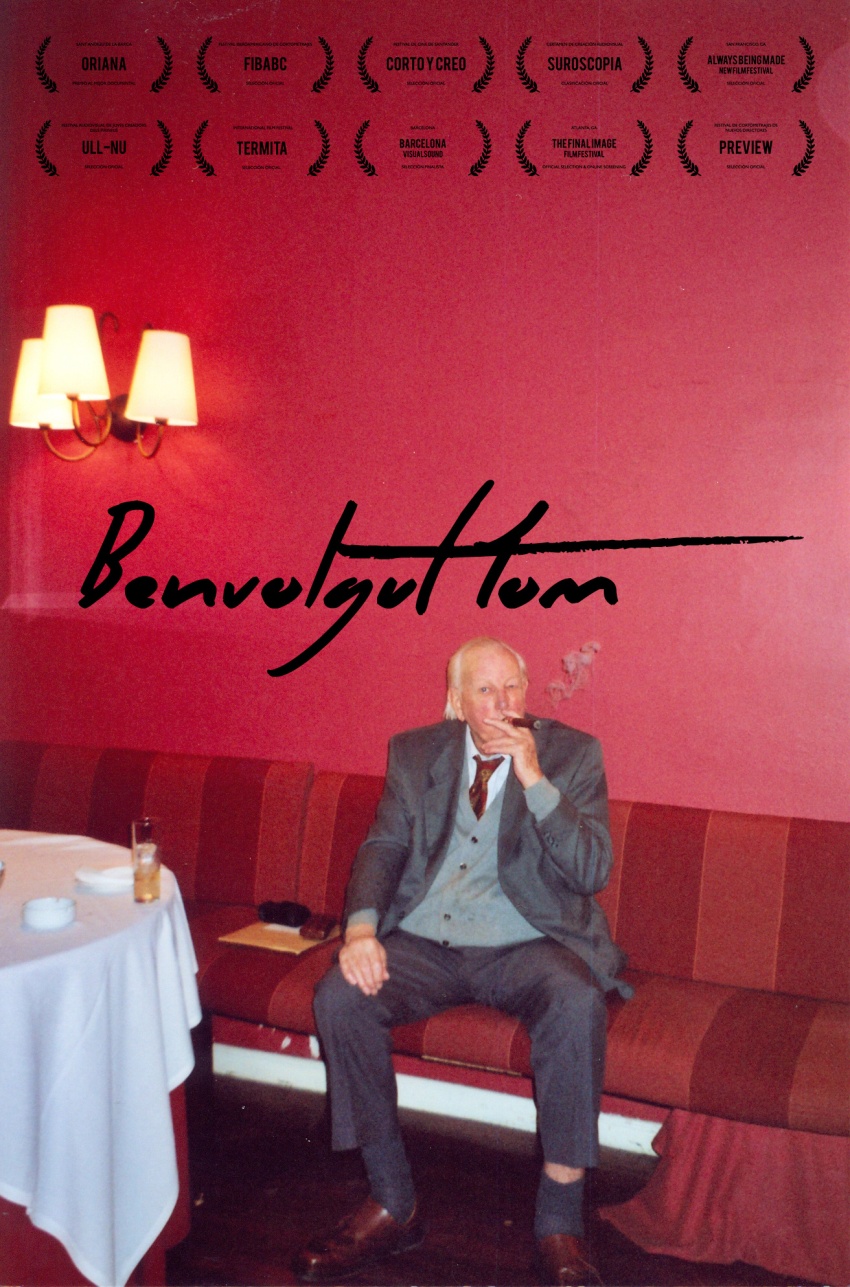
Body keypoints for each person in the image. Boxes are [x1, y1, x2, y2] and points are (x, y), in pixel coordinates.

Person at [294, 637, 628, 1286]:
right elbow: (383, 846)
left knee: (577, 1002)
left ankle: (559, 1221)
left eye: (512, 687)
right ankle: (393, 1201)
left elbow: (592, 871)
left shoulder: (572, 753)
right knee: (340, 996)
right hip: (427, 942)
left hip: (529, 945)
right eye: (484, 689)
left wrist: (533, 778)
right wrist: (360, 932)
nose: (502, 702)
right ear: (455, 702)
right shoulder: (415, 752)